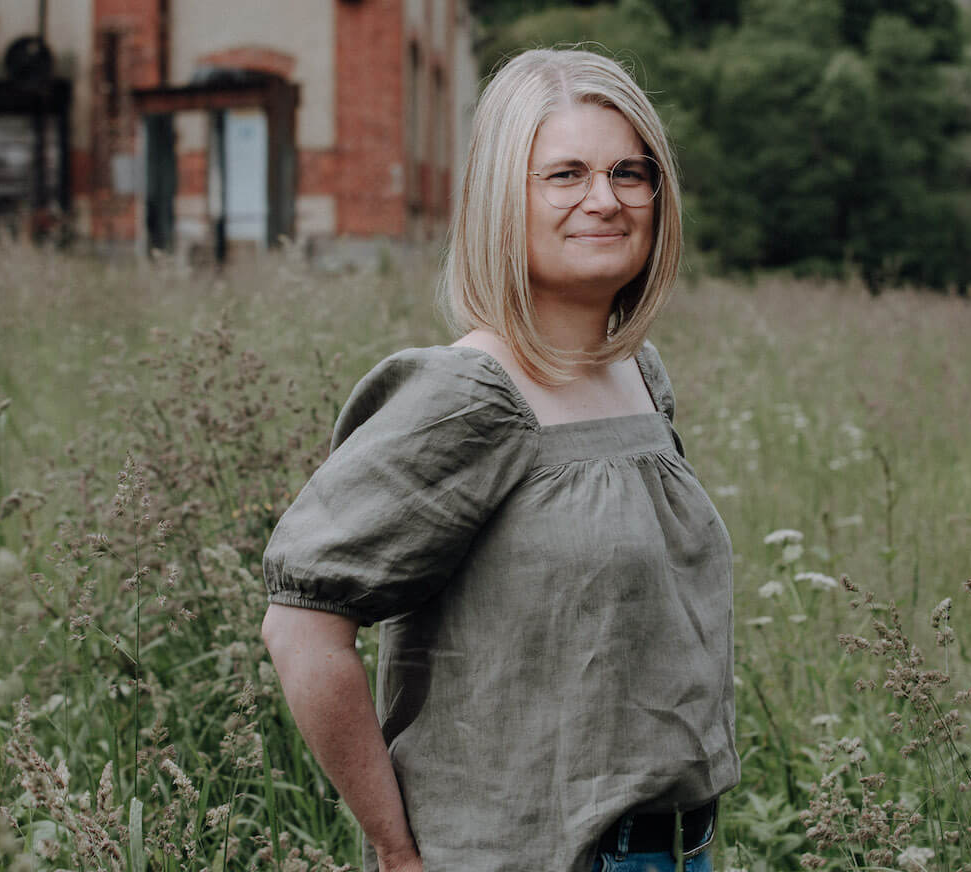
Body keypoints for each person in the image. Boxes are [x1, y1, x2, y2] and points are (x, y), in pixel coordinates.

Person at [261, 49, 739, 872]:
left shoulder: (640, 376)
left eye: (631, 171)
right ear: (500, 200)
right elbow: (302, 627)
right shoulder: (466, 395)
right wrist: (396, 847)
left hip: (676, 849)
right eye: (565, 174)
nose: (606, 198)